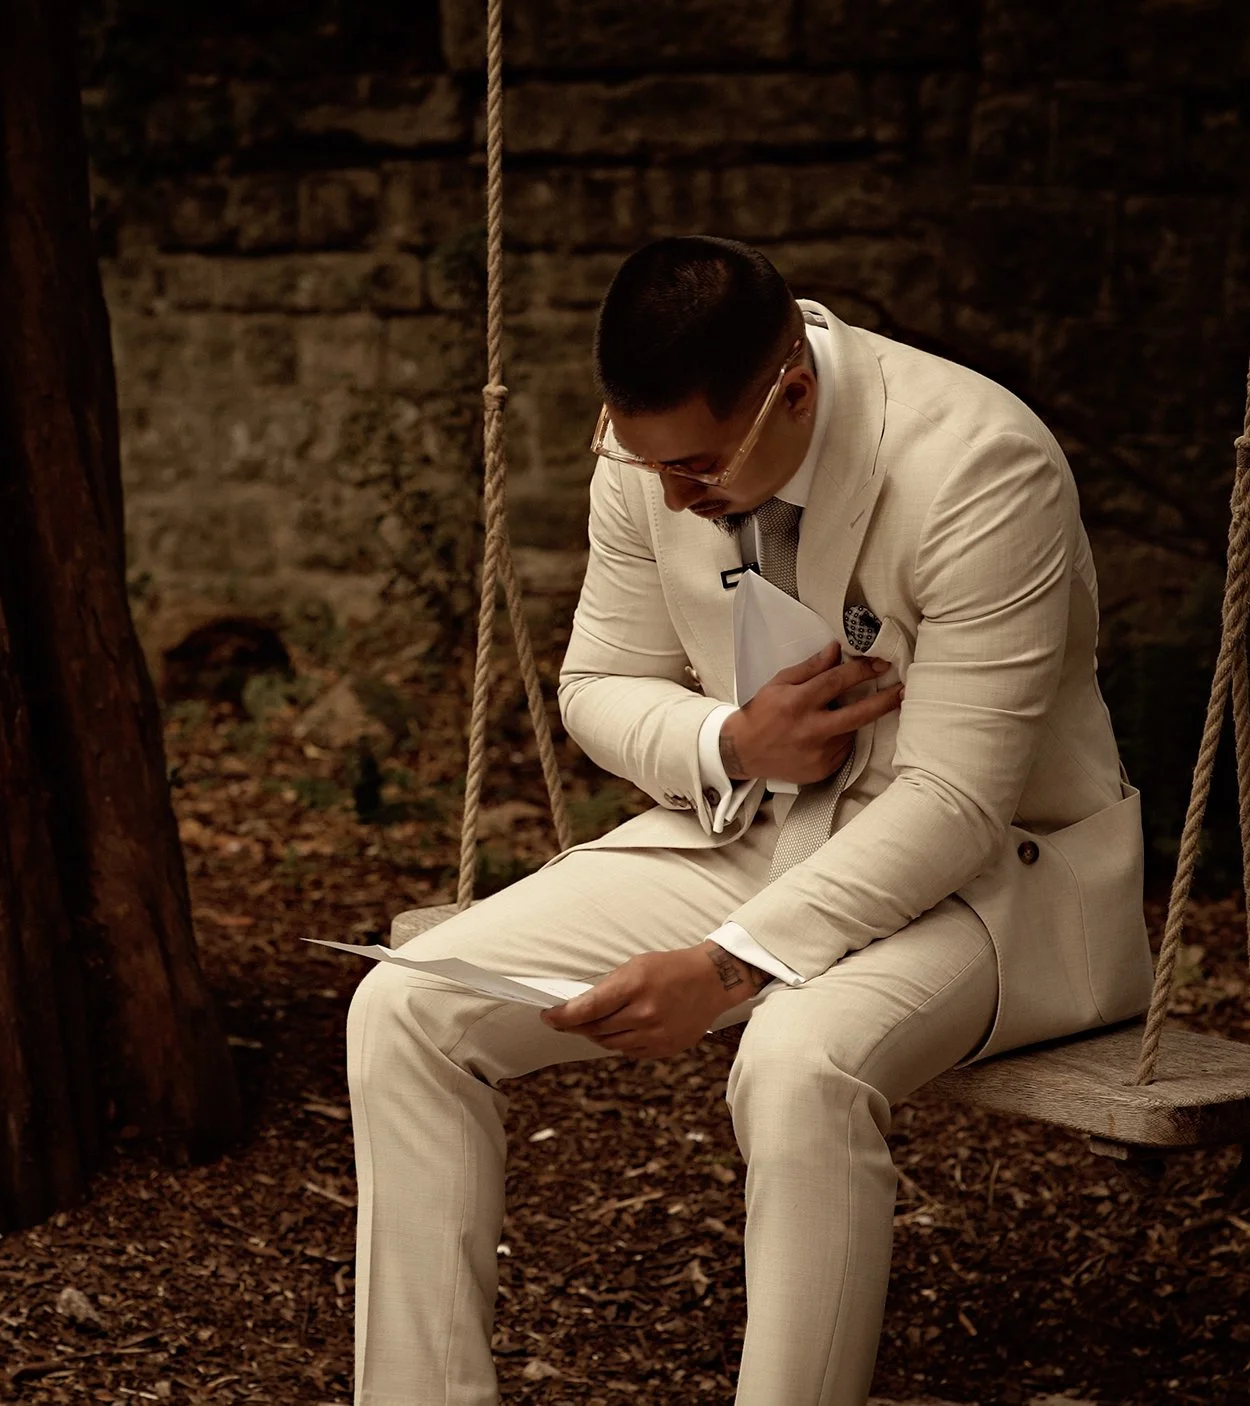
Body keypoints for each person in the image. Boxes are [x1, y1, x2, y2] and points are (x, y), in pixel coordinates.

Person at [345, 235, 1152, 1405]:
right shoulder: (649, 454)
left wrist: (725, 971)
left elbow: (954, 804)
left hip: (993, 883)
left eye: (698, 465)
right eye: (648, 462)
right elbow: (599, 685)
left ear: (795, 390)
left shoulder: (982, 465)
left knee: (792, 1058)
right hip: (758, 826)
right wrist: (731, 742)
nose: (672, 492)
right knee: (406, 1004)